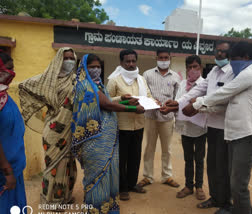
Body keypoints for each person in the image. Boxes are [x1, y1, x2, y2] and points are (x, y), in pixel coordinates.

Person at [186, 41, 252, 214]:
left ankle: (231, 207)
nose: (231, 62)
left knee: (238, 184)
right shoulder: (232, 73)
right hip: (234, 134)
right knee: (226, 174)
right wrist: (196, 105)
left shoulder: (250, 73)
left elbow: (224, 93)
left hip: (247, 134)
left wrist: (197, 104)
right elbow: (226, 104)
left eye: (234, 59)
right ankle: (226, 205)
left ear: (245, 58)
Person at [165, 42, 234, 212]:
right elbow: (188, 96)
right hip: (200, 126)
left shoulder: (233, 73)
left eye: (223, 52)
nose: (220, 55)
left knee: (216, 164)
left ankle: (215, 196)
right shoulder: (212, 73)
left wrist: (196, 106)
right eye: (217, 51)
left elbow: (220, 99)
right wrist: (177, 103)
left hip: (216, 127)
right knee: (205, 163)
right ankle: (209, 194)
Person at [71, 54, 144, 213]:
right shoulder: (85, 85)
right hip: (95, 141)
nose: (96, 69)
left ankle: (108, 207)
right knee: (97, 176)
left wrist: (125, 101)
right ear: (84, 68)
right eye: (92, 67)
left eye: (98, 66)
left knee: (109, 174)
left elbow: (108, 101)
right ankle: (96, 209)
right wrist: (132, 108)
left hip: (106, 139)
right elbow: (106, 105)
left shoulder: (98, 84)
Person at [19, 47, 78, 208]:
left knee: (68, 164)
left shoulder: (76, 79)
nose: (69, 61)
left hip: (70, 130)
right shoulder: (48, 79)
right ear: (59, 59)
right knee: (53, 166)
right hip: (53, 130)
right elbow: (24, 86)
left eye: (72, 58)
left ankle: (65, 198)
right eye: (66, 58)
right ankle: (51, 201)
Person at [107, 49, 154, 201]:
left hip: (139, 124)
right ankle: (122, 188)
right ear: (121, 63)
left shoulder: (141, 79)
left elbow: (147, 95)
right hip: (121, 126)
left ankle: (132, 184)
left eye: (133, 61)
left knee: (135, 156)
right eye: (127, 61)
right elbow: (107, 101)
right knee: (121, 158)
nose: (131, 64)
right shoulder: (114, 80)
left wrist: (153, 102)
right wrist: (123, 100)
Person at [161, 55, 207, 200]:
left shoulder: (205, 84)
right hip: (185, 127)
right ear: (186, 68)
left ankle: (199, 186)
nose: (192, 70)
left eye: (196, 67)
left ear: (200, 68)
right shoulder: (182, 84)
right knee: (188, 158)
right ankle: (188, 186)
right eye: (190, 67)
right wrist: (170, 108)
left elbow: (205, 104)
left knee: (199, 158)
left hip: (199, 128)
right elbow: (179, 103)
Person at [138, 49, 181, 188]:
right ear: (156, 58)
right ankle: (147, 177)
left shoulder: (175, 77)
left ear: (170, 58)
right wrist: (152, 102)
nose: (163, 60)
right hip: (151, 116)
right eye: (161, 58)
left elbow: (177, 98)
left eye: (166, 58)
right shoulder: (147, 74)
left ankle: (166, 176)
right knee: (149, 148)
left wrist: (170, 108)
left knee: (167, 149)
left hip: (167, 118)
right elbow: (144, 94)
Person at [0, 52, 27, 213]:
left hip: (13, 168)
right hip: (5, 172)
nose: (12, 73)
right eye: (8, 69)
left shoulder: (4, 96)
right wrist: (7, 170)